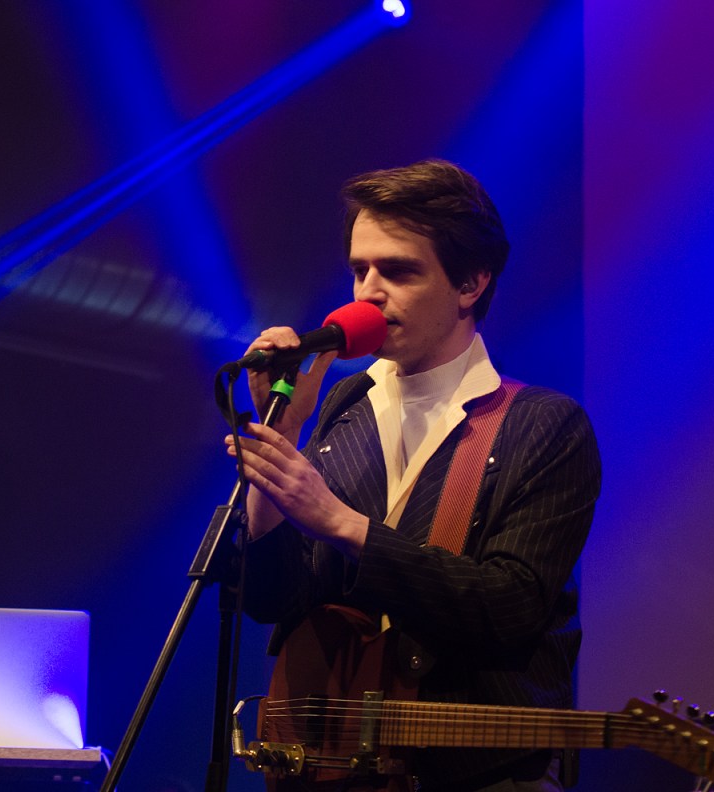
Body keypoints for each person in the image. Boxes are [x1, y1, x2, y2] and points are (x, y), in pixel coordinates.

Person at [226, 159, 600, 791]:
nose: (368, 292)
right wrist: (281, 438)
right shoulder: (345, 406)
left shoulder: (543, 424)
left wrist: (344, 525)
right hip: (339, 770)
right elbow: (272, 601)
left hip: (480, 776)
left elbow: (509, 606)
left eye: (398, 271)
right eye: (359, 270)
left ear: (471, 283)